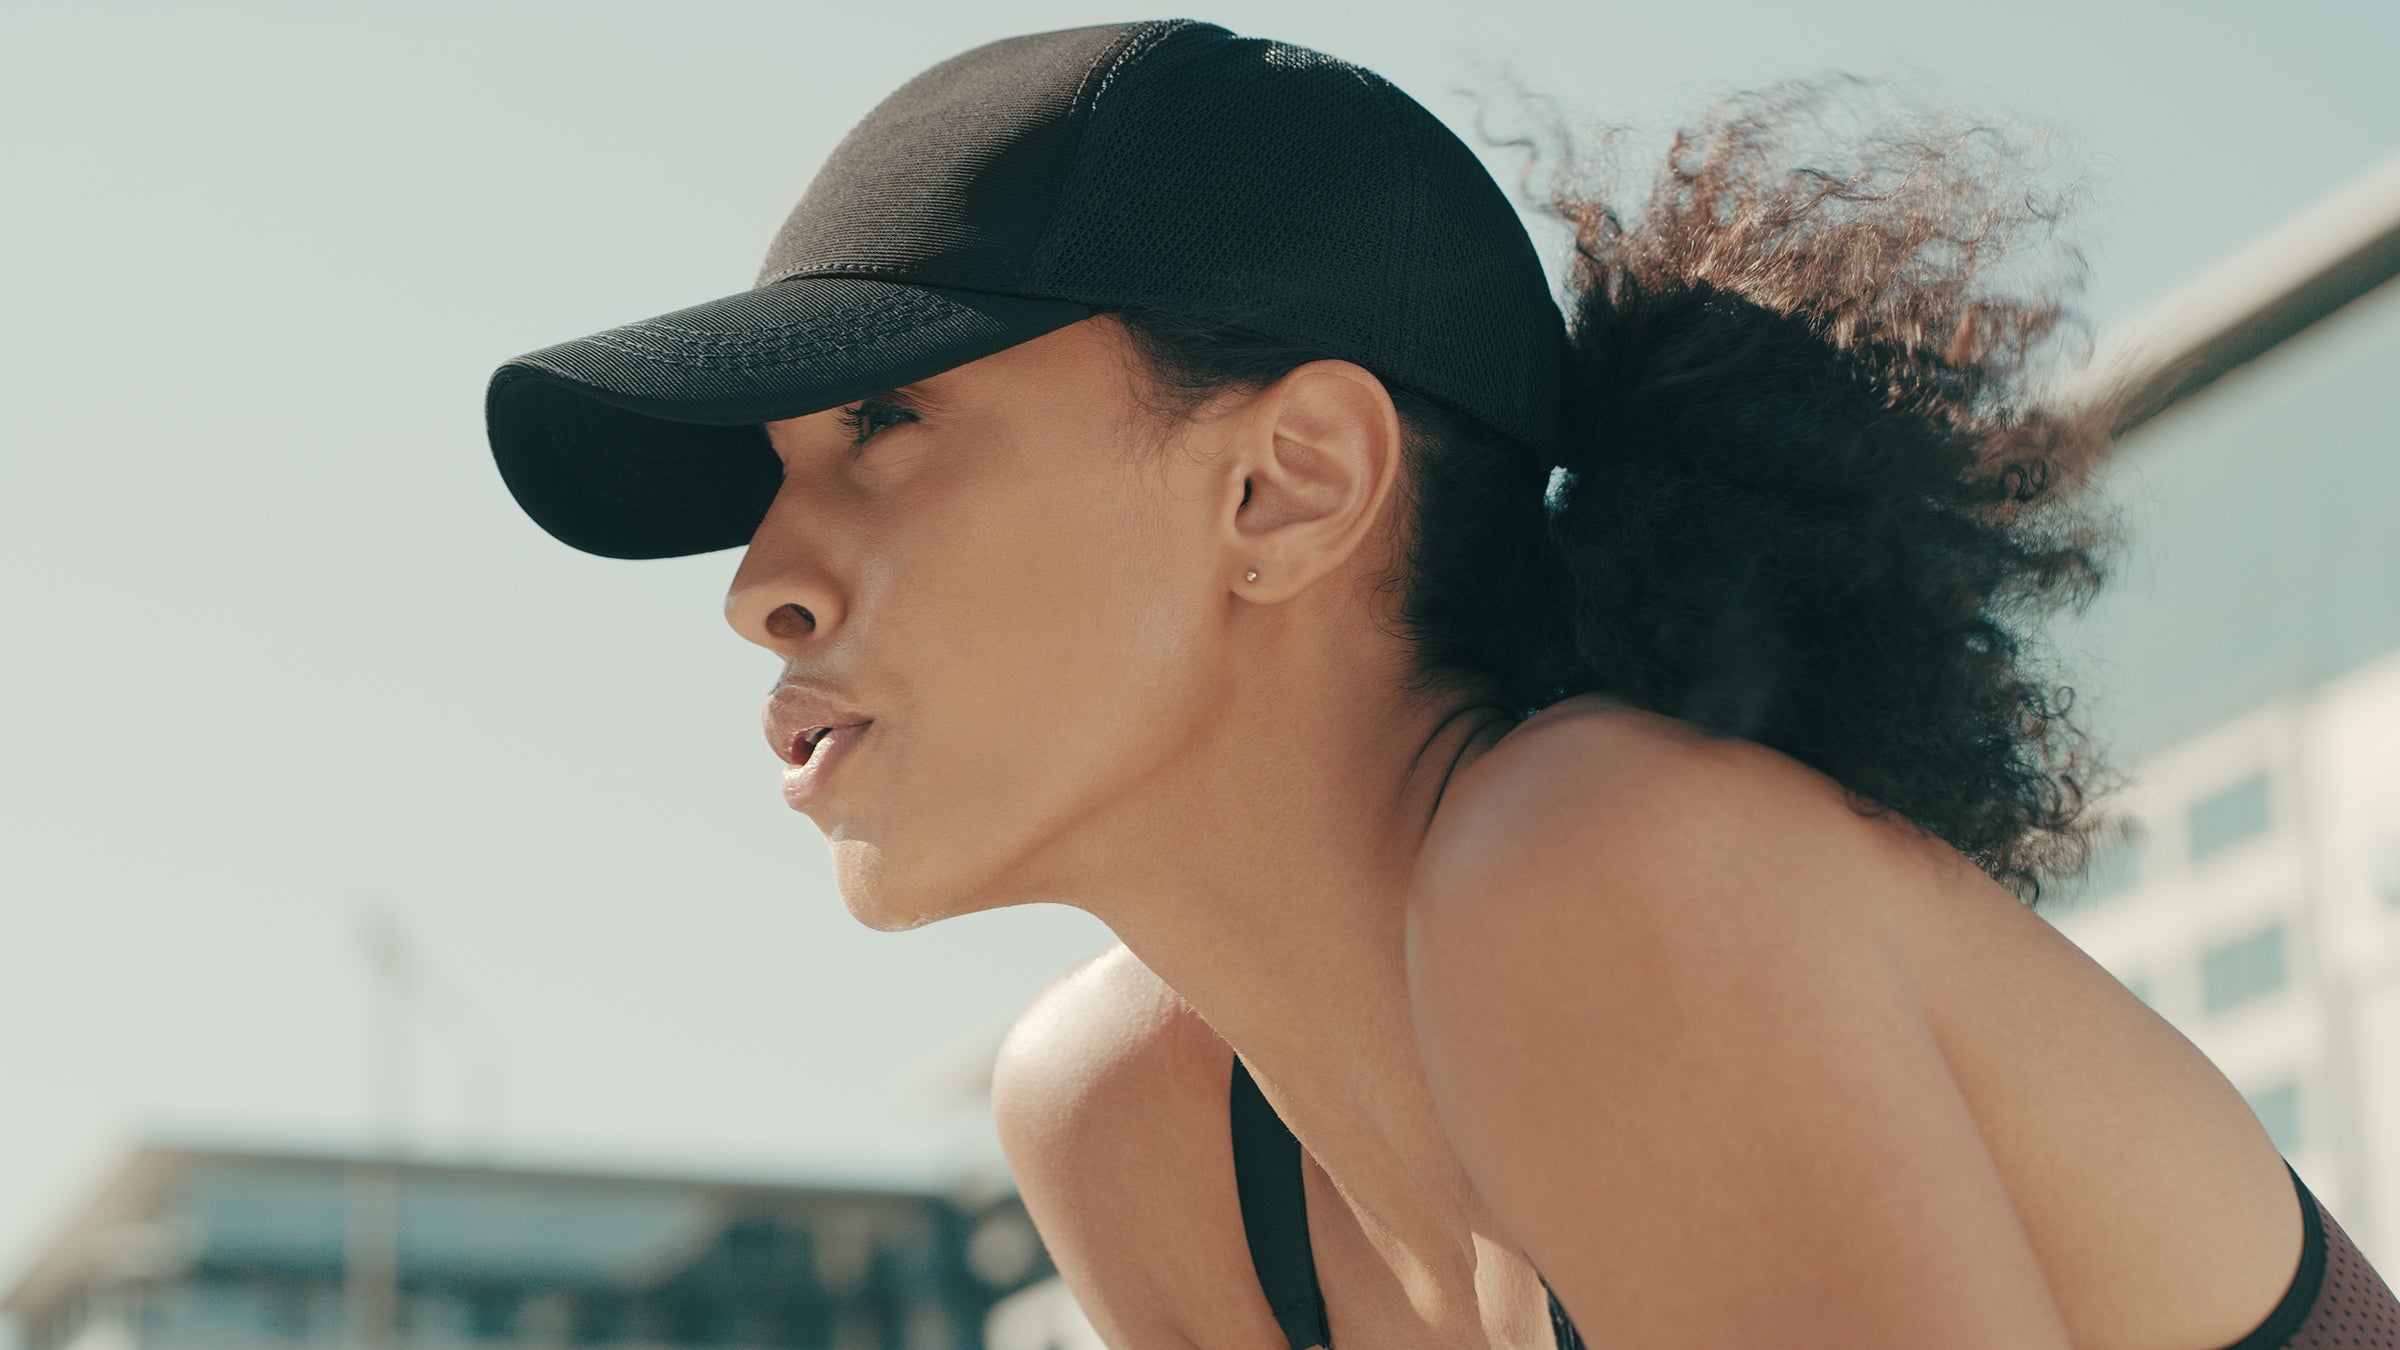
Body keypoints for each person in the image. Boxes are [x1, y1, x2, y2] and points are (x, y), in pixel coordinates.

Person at [483, 19, 2400, 1350]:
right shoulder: (1133, 1128)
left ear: (1287, 480)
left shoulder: (1608, 862)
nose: (760, 589)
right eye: (771, 478)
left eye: (886, 422)